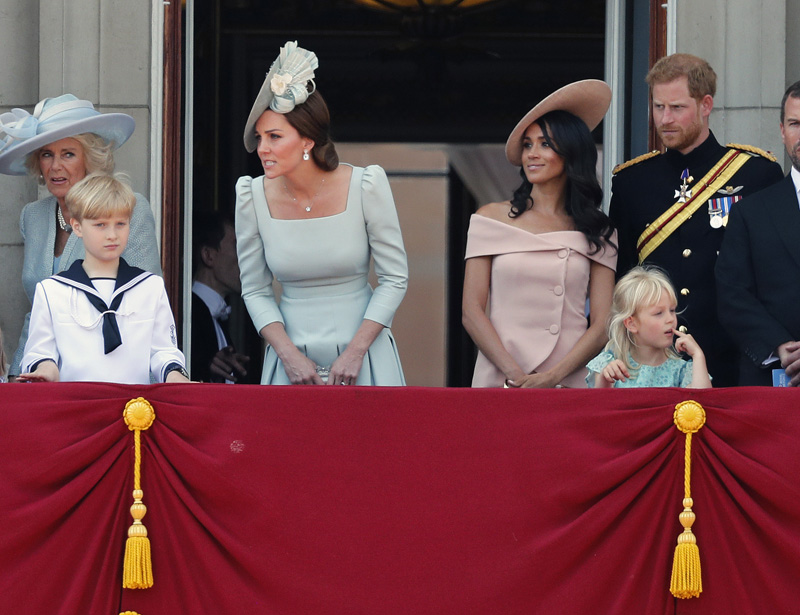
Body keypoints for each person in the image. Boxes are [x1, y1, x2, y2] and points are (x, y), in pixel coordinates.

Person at [236, 41, 408, 386]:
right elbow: (254, 290)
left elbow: (395, 278)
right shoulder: (251, 195)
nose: (263, 148)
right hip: (290, 364)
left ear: (307, 141)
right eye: (260, 137)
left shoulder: (366, 185)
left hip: (366, 357)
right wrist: (288, 355)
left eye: (274, 136)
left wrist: (357, 351)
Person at [608, 54, 784, 387]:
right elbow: (624, 276)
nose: (665, 119)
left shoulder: (756, 173)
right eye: (658, 107)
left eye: (676, 107)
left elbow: (773, 272)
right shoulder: (632, 182)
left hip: (734, 358)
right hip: (655, 364)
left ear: (705, 105)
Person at [462, 80, 618, 388]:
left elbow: (602, 324)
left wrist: (553, 377)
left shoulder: (598, 230)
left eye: (545, 144)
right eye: (528, 144)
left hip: (567, 380)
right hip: (500, 377)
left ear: (570, 154)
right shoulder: (490, 217)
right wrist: (516, 376)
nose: (533, 153)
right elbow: (472, 311)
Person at [0, 94, 161, 380]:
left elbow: (147, 304)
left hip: (107, 375)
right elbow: (37, 312)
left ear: (90, 158)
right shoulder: (34, 217)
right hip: (44, 377)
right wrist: (18, 376)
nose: (55, 166)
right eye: (47, 154)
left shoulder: (127, 210)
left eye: (68, 154)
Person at [17, 173, 189, 384]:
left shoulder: (150, 287)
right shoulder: (52, 291)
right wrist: (46, 371)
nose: (112, 235)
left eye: (120, 224)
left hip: (135, 411)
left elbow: (163, 352)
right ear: (77, 227)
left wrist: (176, 377)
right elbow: (40, 352)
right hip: (75, 408)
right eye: (100, 225)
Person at [715, 80, 800, 386]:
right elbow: (732, 294)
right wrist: (781, 347)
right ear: (782, 130)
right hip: (773, 381)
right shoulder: (751, 212)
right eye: (795, 123)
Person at [586, 266, 711, 388]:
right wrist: (605, 380)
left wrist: (698, 355)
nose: (671, 319)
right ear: (631, 324)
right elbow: (598, 406)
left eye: (672, 310)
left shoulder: (681, 371)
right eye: (658, 313)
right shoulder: (609, 364)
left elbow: (702, 403)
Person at [192, 210, 251, 383]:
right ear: (208, 255)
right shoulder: (186, 315)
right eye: (236, 247)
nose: (245, 259)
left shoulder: (216, 315)